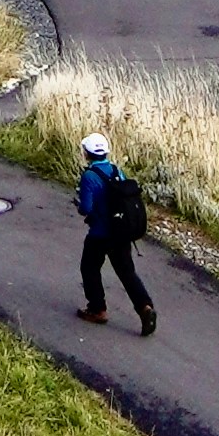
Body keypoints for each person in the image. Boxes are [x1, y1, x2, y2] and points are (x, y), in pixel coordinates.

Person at [73, 132, 158, 336]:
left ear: (87, 153)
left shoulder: (89, 176)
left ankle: (97, 309)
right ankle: (145, 307)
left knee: (89, 268)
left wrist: (79, 203)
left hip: (100, 233)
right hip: (121, 232)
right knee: (127, 272)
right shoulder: (115, 170)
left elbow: (86, 208)